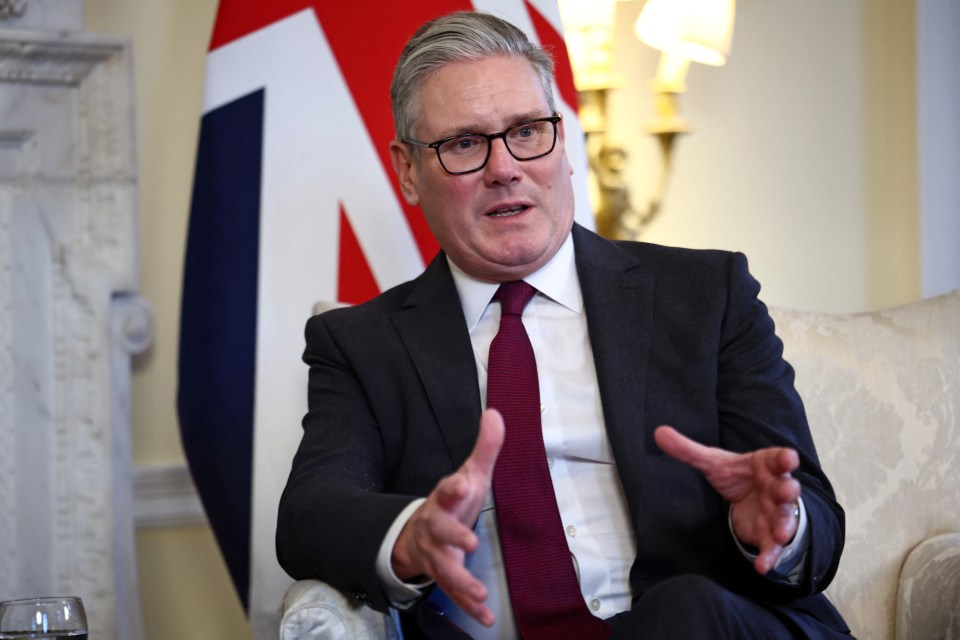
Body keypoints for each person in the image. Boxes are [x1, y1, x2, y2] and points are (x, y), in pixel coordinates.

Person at [277, 10, 850, 639]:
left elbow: (814, 525)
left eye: (527, 130)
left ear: (564, 144)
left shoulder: (707, 295)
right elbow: (309, 516)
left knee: (685, 611)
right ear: (409, 171)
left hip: (709, 625)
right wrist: (411, 534)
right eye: (464, 143)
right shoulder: (361, 345)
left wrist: (776, 527)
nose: (504, 167)